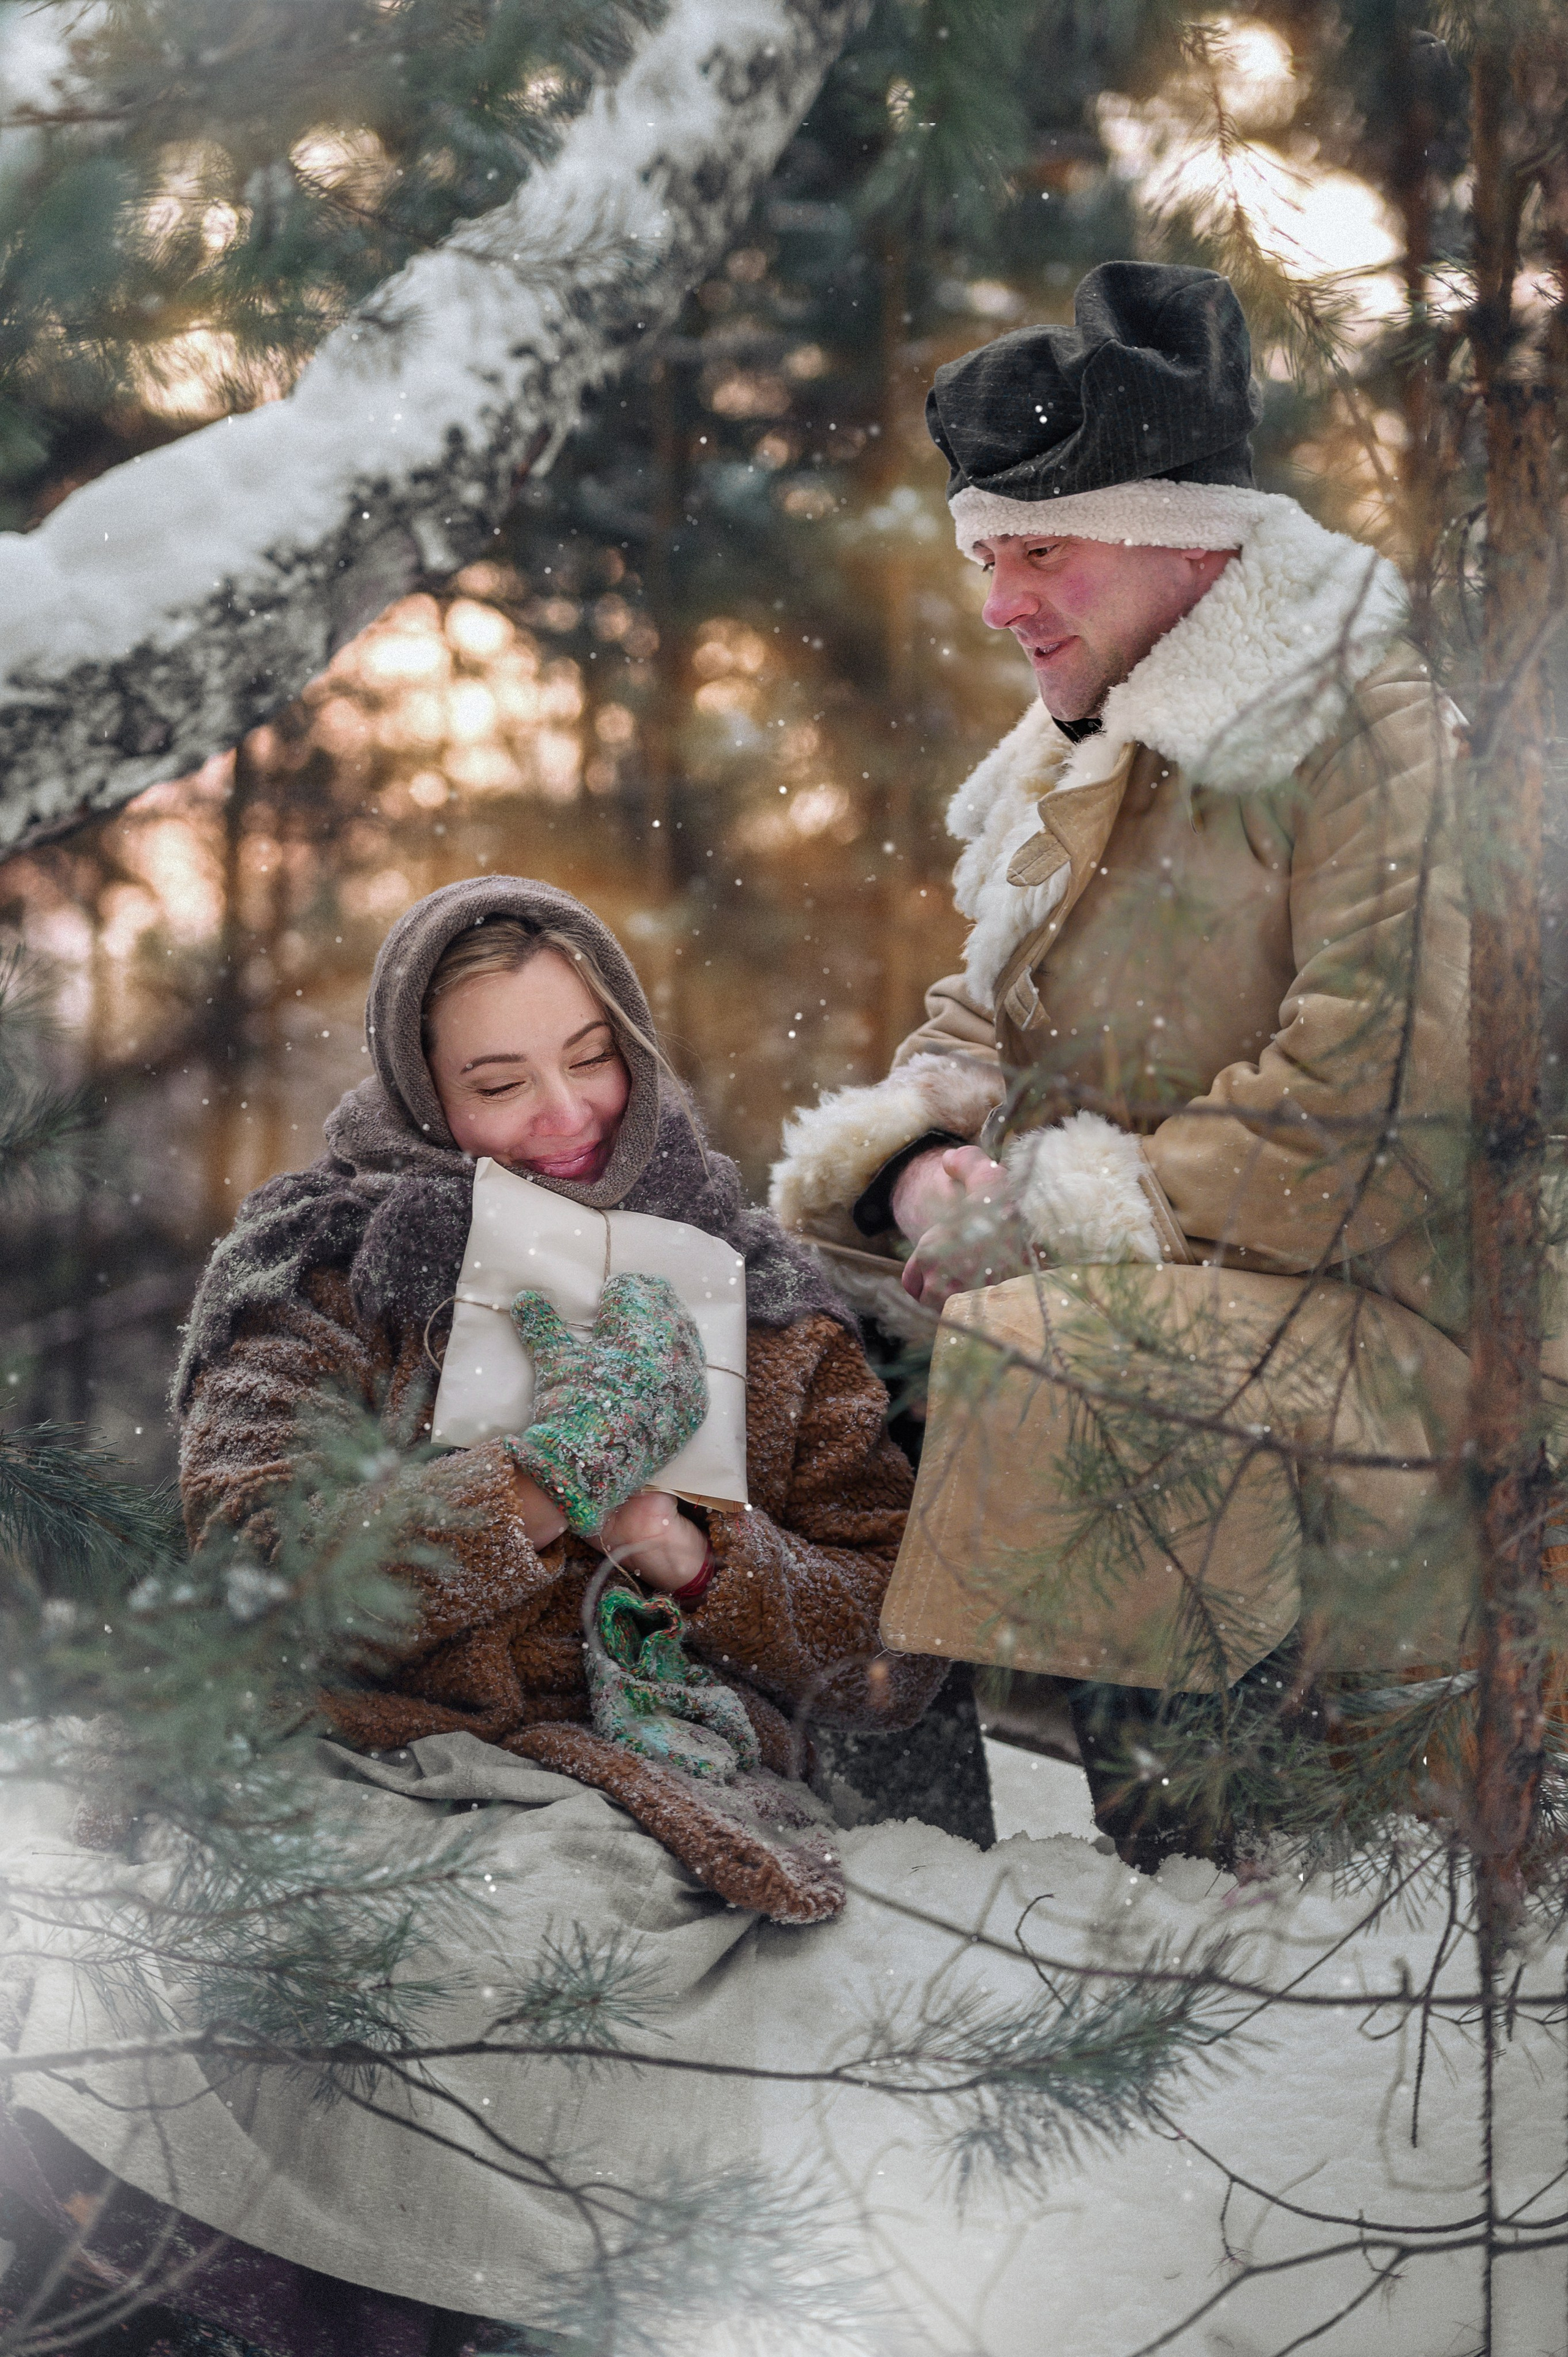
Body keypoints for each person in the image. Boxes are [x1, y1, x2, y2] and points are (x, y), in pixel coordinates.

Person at [767, 260, 1539, 1858]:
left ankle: (1201, 1868)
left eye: (1040, 551)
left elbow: (1382, 1096)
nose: (1001, 602)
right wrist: (927, 1169)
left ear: (1191, 539)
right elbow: (976, 1021)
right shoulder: (1077, 755)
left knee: (1079, 1348)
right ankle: (889, 1861)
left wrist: (1061, 1212)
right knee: (786, 1334)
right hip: (1158, 1284)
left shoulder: (1372, 733)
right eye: (986, 556)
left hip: (1398, 1333)